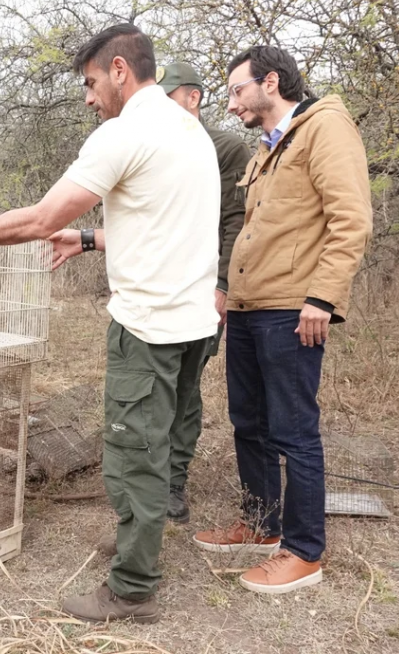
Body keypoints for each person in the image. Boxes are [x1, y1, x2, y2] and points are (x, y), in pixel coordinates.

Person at [0, 25, 220, 623]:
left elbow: (42, 217)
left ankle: (132, 587)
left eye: (91, 84)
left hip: (147, 324)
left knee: (131, 453)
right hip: (194, 319)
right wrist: (91, 238)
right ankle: (136, 541)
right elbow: (163, 220)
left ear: (120, 70)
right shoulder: (187, 128)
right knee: (165, 439)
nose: (90, 98)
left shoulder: (126, 132)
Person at [193, 46, 372, 594]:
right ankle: (262, 526)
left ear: (271, 82)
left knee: (294, 431)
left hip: (293, 310)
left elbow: (351, 218)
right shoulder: (265, 151)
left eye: (237, 90)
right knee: (249, 423)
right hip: (250, 306)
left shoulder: (326, 128)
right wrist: (226, 289)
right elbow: (252, 232)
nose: (231, 104)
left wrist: (322, 297)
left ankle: (303, 551)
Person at [158, 62, 251, 523]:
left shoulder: (226, 147)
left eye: (167, 96)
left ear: (191, 97)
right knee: (150, 389)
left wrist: (222, 284)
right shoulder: (155, 145)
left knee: (184, 388)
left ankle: (174, 483)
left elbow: (237, 221)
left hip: (201, 289)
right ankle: (147, 480)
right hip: (158, 289)